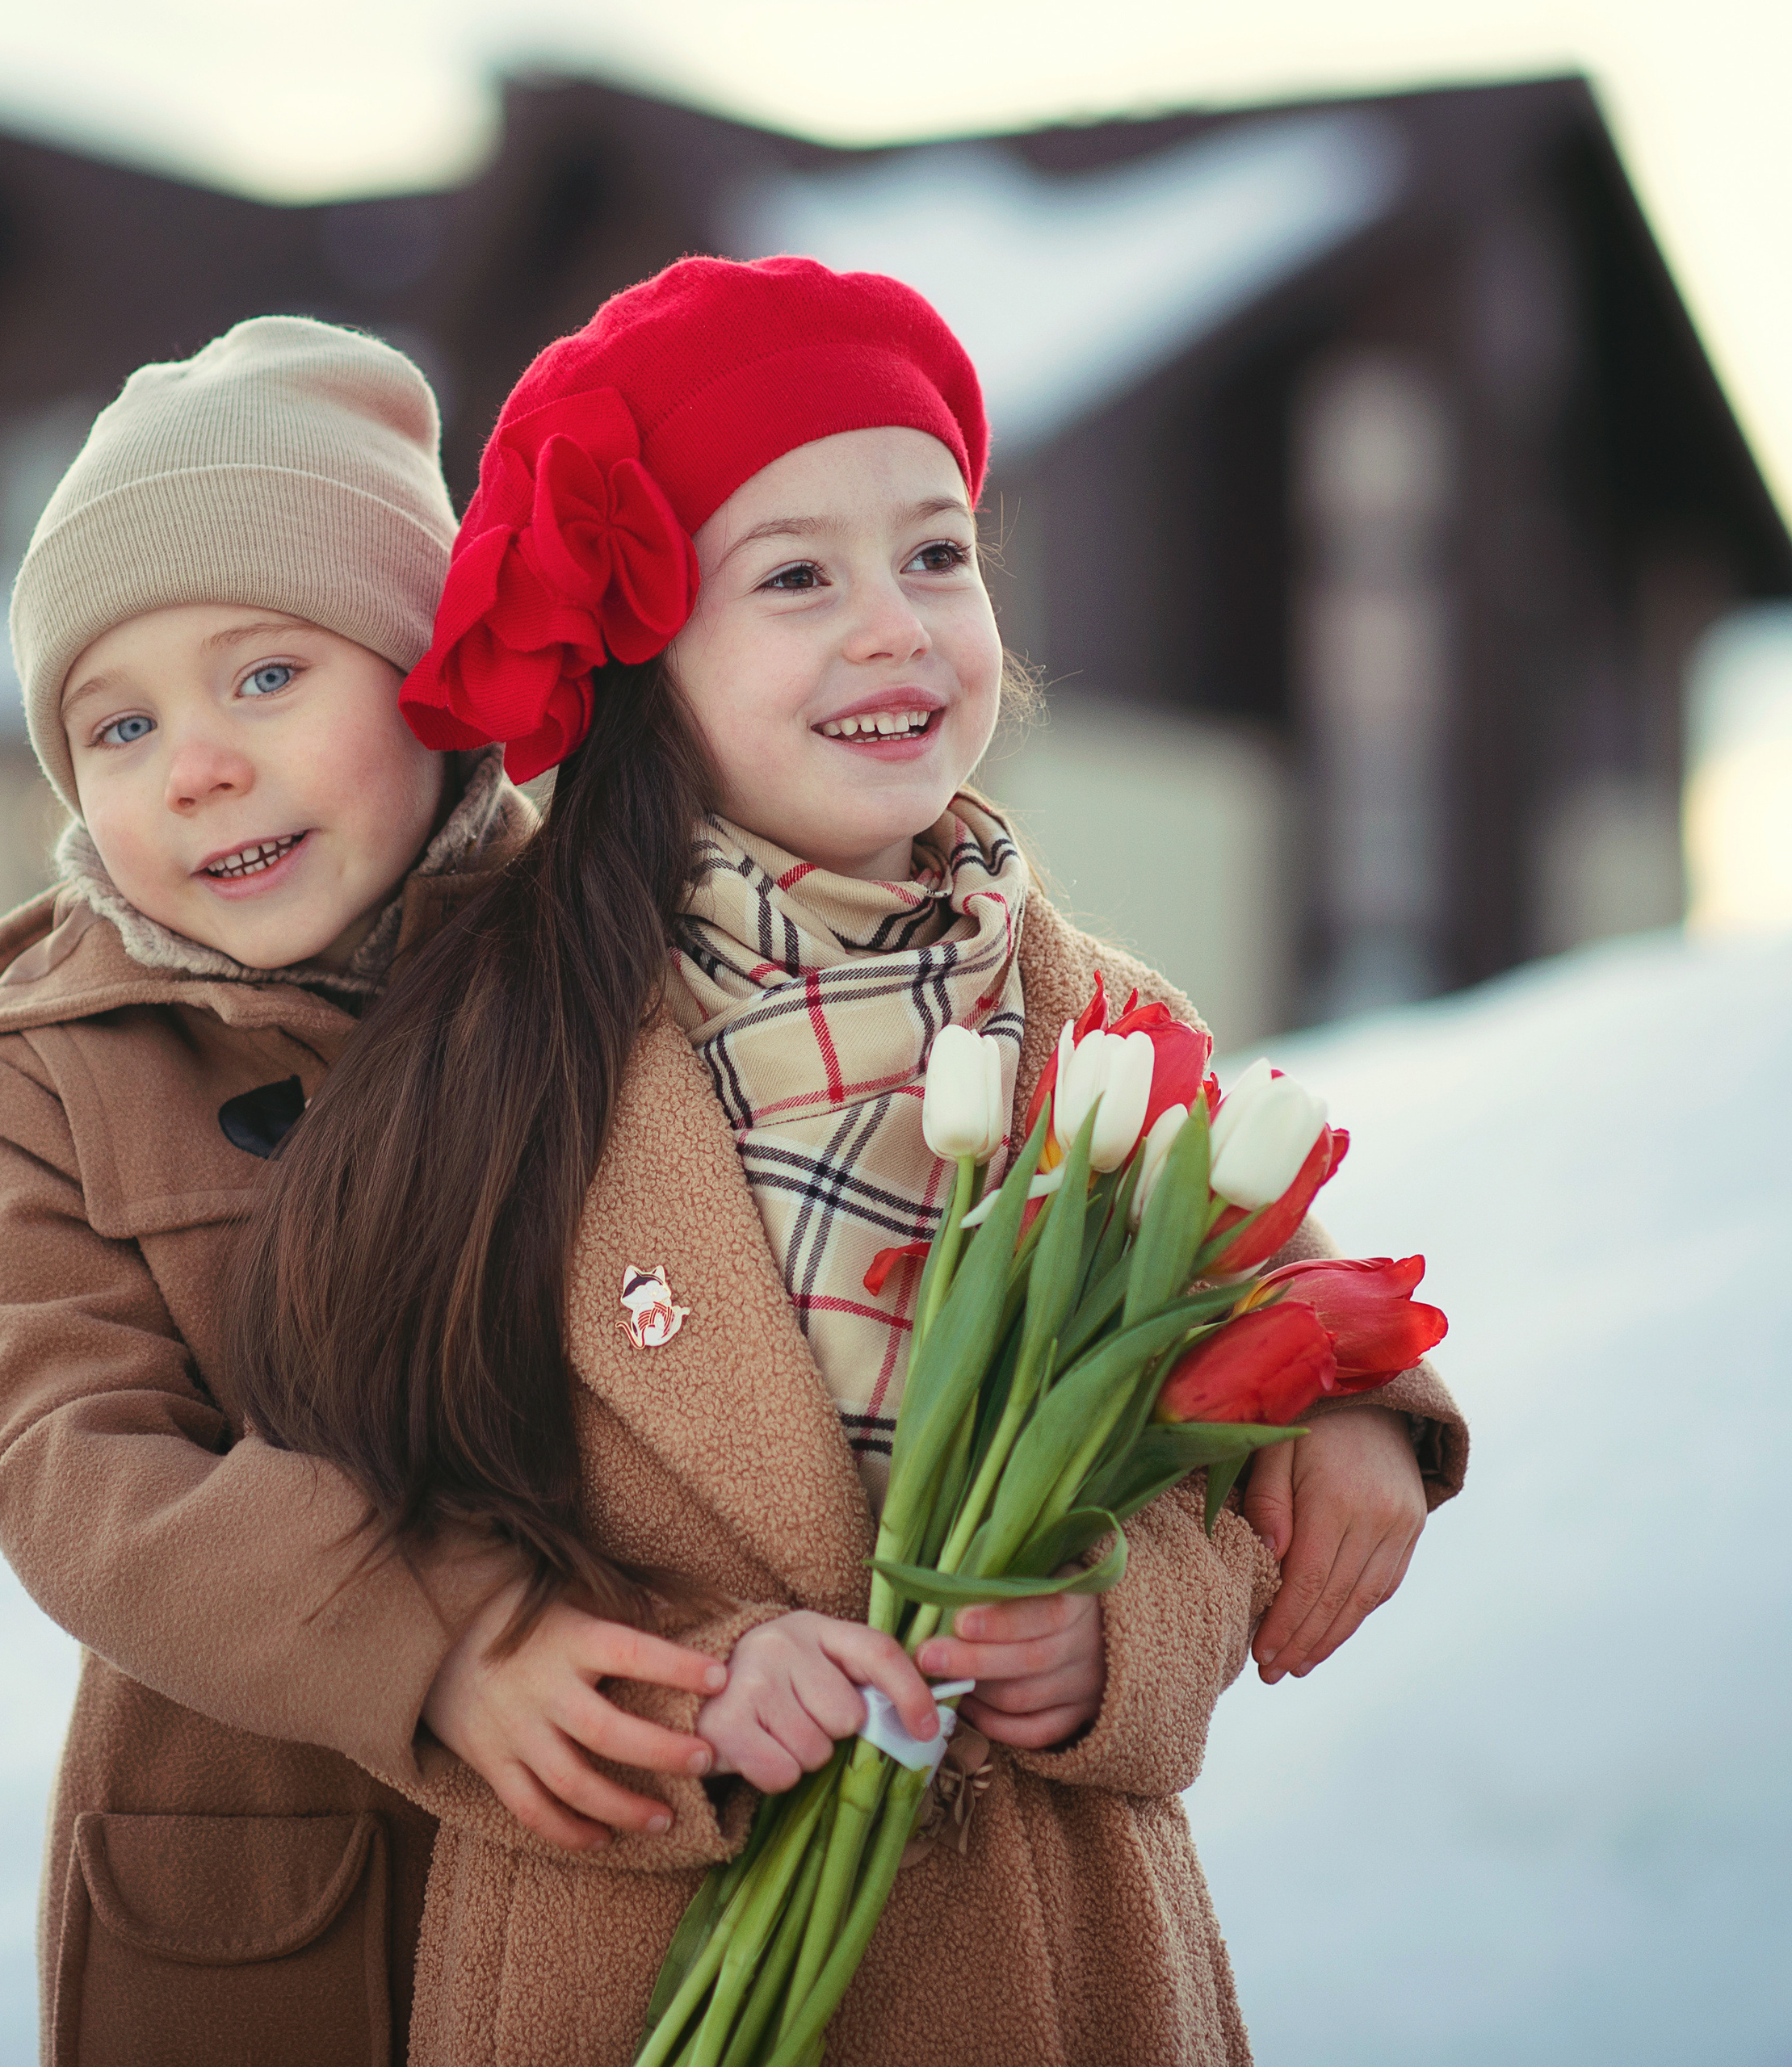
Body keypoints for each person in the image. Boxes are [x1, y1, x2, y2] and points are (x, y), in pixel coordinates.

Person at [227, 258, 1470, 2066]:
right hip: (629, 1938)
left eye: (936, 553)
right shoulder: (497, 1026)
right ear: (643, 651)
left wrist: (1125, 1628)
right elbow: (371, 1473)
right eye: (795, 575)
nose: (893, 625)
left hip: (1052, 1952)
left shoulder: (1096, 1020)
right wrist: (686, 1677)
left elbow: (1241, 1379)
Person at [0, 317, 705, 2063]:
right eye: (118, 721)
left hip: (626, 1841)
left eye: (263, 677)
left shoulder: (611, 956)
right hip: (262, 1875)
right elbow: (71, 1463)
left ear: (421, 674)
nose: (196, 763)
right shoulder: (56, 1073)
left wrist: (1344, 1394)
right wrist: (434, 1631)